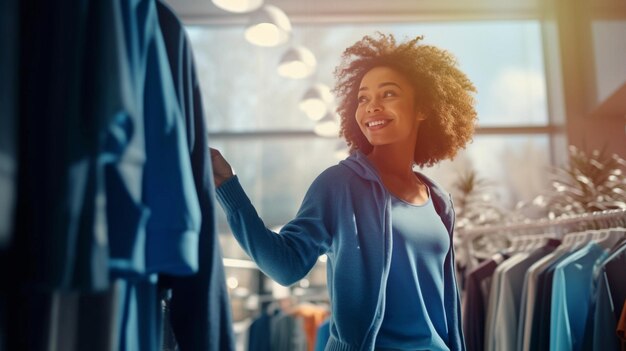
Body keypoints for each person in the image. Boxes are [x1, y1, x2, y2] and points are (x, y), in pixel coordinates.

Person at [211, 32, 477, 351]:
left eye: (388, 94)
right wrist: (229, 188)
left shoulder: (439, 200)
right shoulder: (339, 185)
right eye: (363, 98)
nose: (371, 107)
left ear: (423, 107)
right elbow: (286, 266)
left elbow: (447, 302)